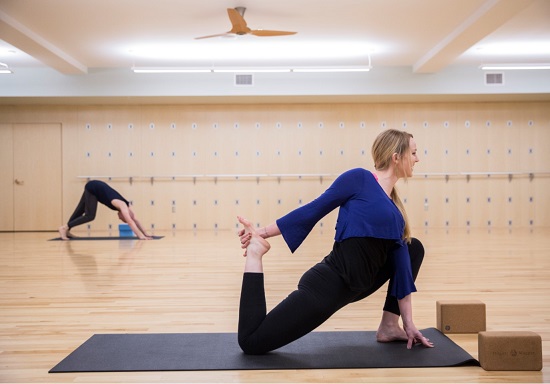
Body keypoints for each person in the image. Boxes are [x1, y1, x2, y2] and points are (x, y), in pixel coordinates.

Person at [236, 128, 434, 355]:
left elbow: (402, 271)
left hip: (358, 285)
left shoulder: (395, 211)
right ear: (396, 157)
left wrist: (408, 323)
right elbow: (314, 209)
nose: (417, 159)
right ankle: (255, 254)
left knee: (413, 247)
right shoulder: (359, 179)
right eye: (414, 153)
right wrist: (261, 233)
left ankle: (389, 326)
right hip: (328, 286)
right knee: (252, 342)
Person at [58, 180, 152, 240]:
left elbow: (135, 220)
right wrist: (141, 236)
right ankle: (64, 228)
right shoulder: (123, 206)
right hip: (93, 188)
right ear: (124, 214)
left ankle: (67, 230)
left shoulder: (128, 208)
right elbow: (131, 222)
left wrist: (146, 234)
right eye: (123, 219)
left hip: (95, 187)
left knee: (79, 211)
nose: (120, 219)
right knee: (90, 215)